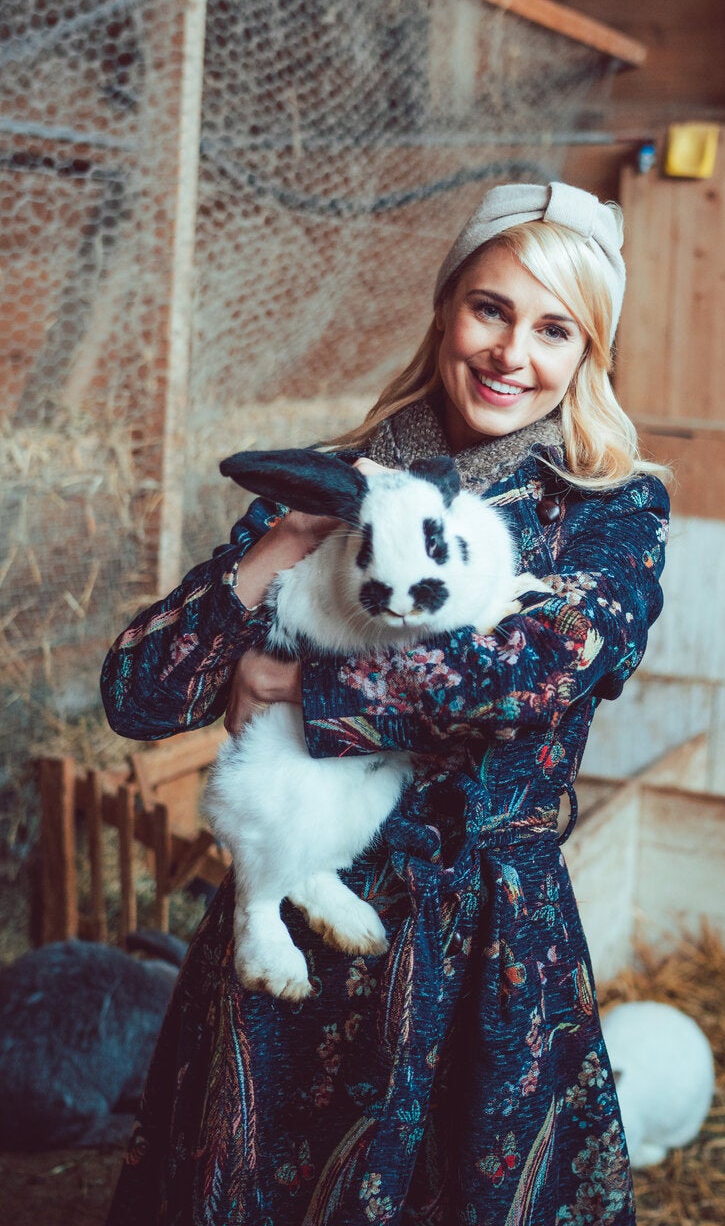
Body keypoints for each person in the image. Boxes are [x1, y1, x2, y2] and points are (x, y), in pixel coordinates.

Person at [101, 181, 670, 1226]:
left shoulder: (606, 510)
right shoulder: (334, 485)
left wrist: (299, 684)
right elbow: (141, 693)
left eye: (555, 330)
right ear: (447, 309)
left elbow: (538, 670)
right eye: (491, 309)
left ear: (590, 352)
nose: (512, 353)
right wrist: (281, 543)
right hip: (301, 917)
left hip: (484, 946)